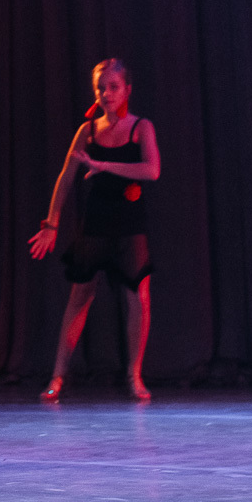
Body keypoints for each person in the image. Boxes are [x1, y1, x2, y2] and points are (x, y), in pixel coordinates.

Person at [29, 59, 160, 401]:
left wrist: (104, 165)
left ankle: (134, 375)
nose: (106, 94)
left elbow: (151, 170)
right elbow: (65, 178)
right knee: (79, 298)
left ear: (127, 90)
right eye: (101, 88)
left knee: (138, 297)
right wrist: (51, 224)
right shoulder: (87, 131)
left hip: (129, 223)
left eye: (113, 87)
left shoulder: (141, 127)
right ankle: (57, 377)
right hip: (96, 222)